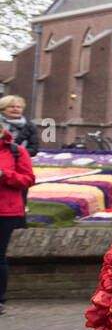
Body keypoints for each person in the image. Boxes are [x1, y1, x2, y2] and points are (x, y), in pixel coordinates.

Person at [0, 127, 36, 314]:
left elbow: (28, 179)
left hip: (5, 211)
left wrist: (4, 175)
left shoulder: (16, 151)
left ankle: (0, 300)